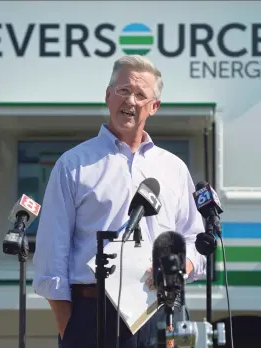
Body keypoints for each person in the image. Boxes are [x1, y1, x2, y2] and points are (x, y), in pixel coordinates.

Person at [32, 55, 206, 348]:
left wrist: (180, 267)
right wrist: (69, 326)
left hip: (162, 314)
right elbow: (52, 254)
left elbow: (194, 239)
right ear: (108, 95)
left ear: (154, 107)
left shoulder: (173, 168)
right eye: (124, 90)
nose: (131, 100)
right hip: (92, 315)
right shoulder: (73, 164)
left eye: (141, 94)